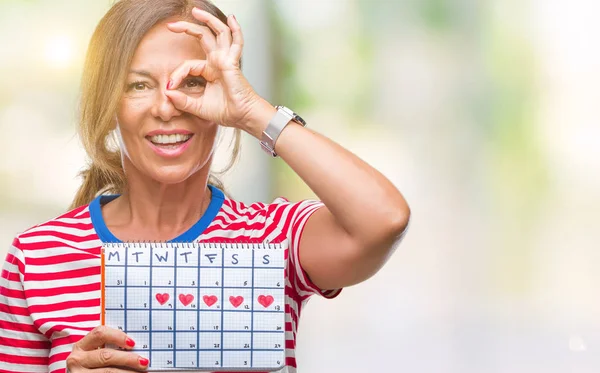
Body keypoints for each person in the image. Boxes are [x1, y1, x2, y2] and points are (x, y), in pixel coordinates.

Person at [0, 0, 410, 372]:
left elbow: (385, 219)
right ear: (109, 105)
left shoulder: (272, 238)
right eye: (138, 85)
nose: (165, 107)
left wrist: (253, 112)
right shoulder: (37, 257)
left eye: (193, 82)